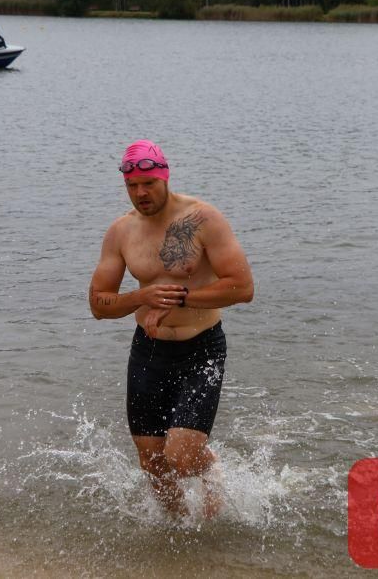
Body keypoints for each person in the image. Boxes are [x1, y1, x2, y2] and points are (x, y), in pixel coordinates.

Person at [88, 139, 254, 518]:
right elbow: (98, 304)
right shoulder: (121, 232)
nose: (141, 193)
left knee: (180, 457)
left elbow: (242, 288)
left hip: (201, 348)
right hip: (149, 351)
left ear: (165, 178)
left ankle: (211, 467)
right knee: (153, 463)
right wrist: (141, 296)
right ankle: (177, 530)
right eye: (132, 186)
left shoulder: (203, 219)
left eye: (148, 184)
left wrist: (179, 299)